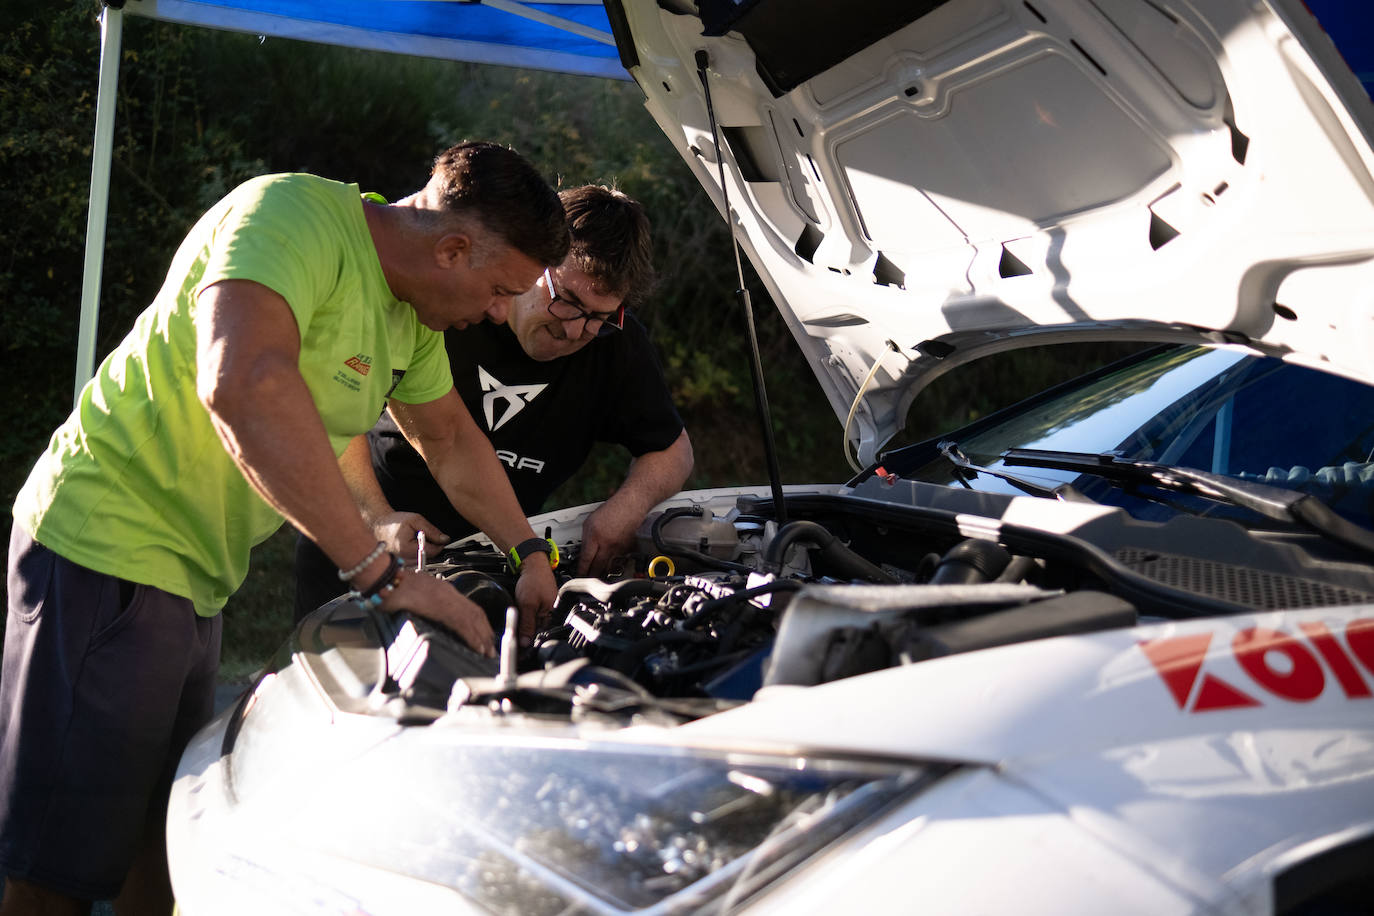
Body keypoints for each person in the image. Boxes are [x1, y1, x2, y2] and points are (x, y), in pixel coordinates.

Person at [1, 141, 569, 915]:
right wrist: (384, 576)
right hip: (108, 546)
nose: (501, 313)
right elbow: (242, 382)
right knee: (59, 869)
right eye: (501, 289)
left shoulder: (412, 318)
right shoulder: (290, 217)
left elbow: (451, 440)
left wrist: (531, 550)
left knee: (165, 838)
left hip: (196, 577)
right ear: (453, 248)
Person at [294, 184, 694, 626]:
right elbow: (335, 413)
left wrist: (622, 510)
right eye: (569, 303)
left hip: (496, 558)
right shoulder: (453, 303)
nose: (578, 331)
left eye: (601, 317)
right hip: (365, 529)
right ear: (532, 261)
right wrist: (377, 517)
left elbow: (672, 449)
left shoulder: (616, 344)